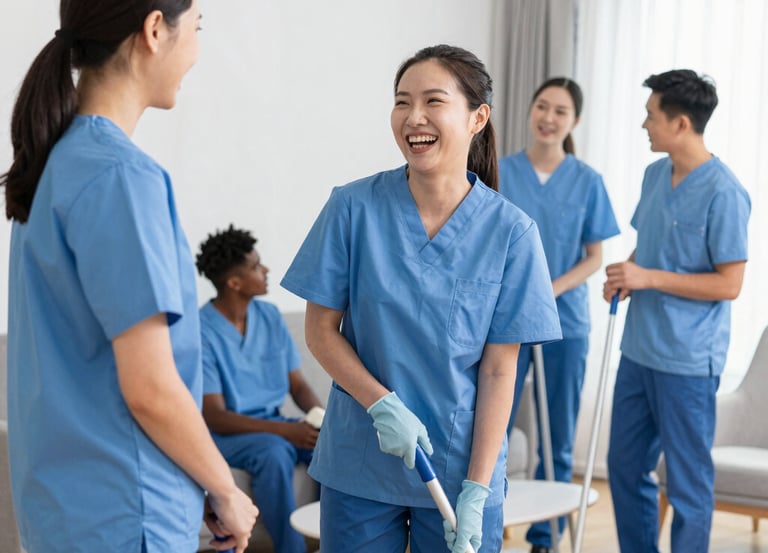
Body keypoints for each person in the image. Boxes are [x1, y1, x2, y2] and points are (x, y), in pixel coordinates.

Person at [280, 44, 562, 553]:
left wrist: (478, 488)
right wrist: (381, 403)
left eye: (433, 101)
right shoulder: (352, 208)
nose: (414, 118)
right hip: (360, 459)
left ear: (477, 118)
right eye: (402, 102)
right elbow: (320, 330)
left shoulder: (512, 233)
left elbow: (500, 371)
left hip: (460, 468)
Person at [1, 2, 259, 552]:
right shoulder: (120, 177)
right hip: (125, 514)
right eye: (196, 28)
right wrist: (224, 487)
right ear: (154, 29)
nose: (197, 51)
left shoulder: (53, 167)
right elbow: (150, 388)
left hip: (67, 516)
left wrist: (195, 481)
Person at [603, 69, 750, 553]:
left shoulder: (725, 193)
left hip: (686, 363)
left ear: (681, 123)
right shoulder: (653, 175)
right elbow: (649, 247)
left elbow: (729, 284)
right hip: (638, 351)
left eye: (651, 115)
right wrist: (625, 275)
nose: (644, 124)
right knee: (624, 466)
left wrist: (647, 277)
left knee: (687, 484)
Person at [498, 77, 620, 553]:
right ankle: (486, 518)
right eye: (542, 106)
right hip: (505, 319)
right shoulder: (501, 171)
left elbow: (594, 257)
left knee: (559, 434)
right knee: (493, 425)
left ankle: (545, 538)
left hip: (565, 321)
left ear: (575, 121)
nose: (548, 118)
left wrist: (547, 291)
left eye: (560, 111)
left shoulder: (588, 181)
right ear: (530, 110)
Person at [195, 225, 325, 553]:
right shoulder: (201, 330)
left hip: (273, 424)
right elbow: (215, 416)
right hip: (226, 434)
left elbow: (298, 385)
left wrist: (322, 419)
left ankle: (332, 542)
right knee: (274, 452)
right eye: (255, 266)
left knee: (331, 446)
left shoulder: (269, 316)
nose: (265, 270)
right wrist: (286, 431)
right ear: (234, 282)